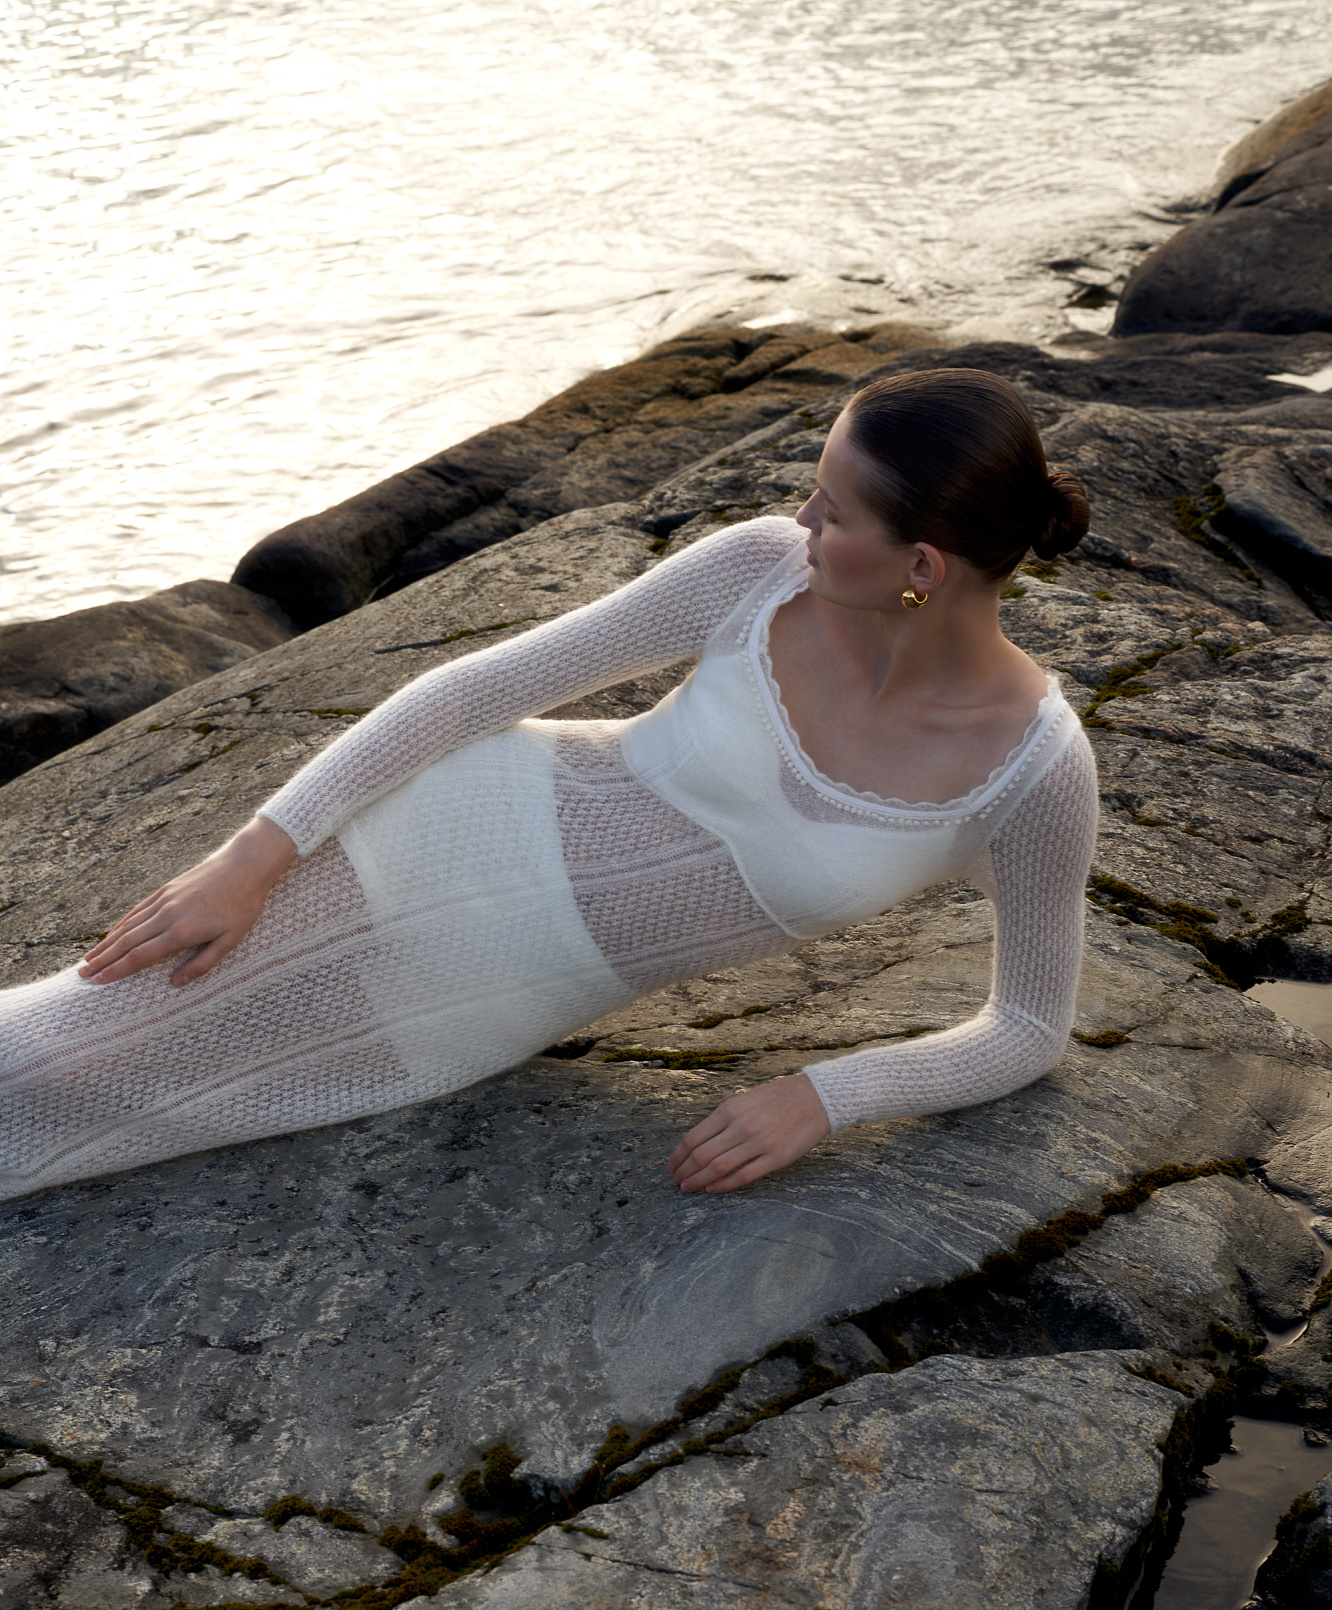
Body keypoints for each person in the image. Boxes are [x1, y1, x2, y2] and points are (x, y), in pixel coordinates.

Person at [0, 367, 1096, 1201]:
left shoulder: (1030, 771)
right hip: (443, 835)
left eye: (834, 511)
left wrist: (824, 1096)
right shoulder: (758, 572)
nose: (802, 518)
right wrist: (251, 857)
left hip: (475, 1007)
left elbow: (1026, 1026)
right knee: (48, 1056)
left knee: (117, 1109)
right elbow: (476, 691)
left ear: (921, 568)